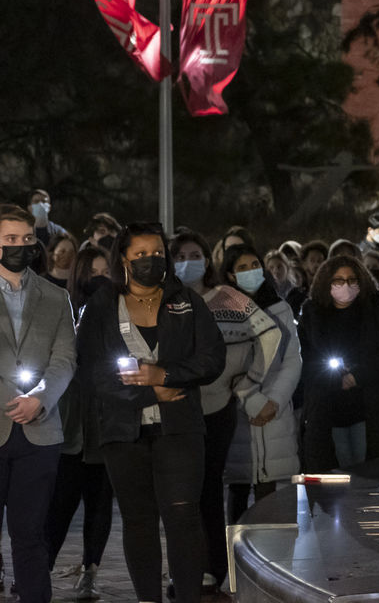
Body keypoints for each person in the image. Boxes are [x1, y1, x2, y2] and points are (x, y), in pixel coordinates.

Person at [77, 221, 224, 603]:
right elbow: (92, 370)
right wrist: (153, 393)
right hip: (123, 432)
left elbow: (212, 358)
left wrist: (169, 374)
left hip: (179, 430)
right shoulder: (102, 305)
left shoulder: (187, 301)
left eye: (157, 253)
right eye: (140, 254)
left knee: (182, 516)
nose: (150, 260)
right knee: (139, 520)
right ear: (123, 259)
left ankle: (189, 596)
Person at [170, 228, 282, 596]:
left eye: (195, 254)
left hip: (217, 407)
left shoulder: (228, 297)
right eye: (181, 256)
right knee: (179, 492)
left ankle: (213, 566)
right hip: (176, 406)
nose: (190, 262)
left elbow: (270, 334)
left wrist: (247, 380)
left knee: (207, 490)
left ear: (207, 259)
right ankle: (185, 567)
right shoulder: (167, 299)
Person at [0, 205, 76, 603]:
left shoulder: (55, 296)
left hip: (39, 431)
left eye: (26, 239)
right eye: (9, 239)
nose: (19, 246)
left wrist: (40, 399)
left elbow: (64, 359)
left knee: (30, 535)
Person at [46, 244, 115, 600]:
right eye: (93, 272)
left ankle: (91, 569)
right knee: (61, 503)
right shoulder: (61, 309)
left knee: (100, 503)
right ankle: (39, 568)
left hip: (104, 425)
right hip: (70, 426)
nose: (99, 279)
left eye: (106, 272)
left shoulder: (118, 315)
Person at [298, 256, 379, 471]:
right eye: (338, 280)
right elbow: (306, 359)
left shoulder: (376, 312)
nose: (345, 286)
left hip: (371, 407)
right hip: (328, 408)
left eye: (351, 280)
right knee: (338, 472)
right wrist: (334, 379)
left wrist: (358, 376)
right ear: (326, 283)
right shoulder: (312, 316)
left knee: (369, 471)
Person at [219, 244, 301, 525]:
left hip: (273, 415)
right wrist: (251, 401)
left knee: (271, 496)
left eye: (255, 265)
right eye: (242, 268)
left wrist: (273, 401)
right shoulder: (223, 312)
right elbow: (226, 366)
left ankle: (275, 561)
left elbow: (292, 360)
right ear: (230, 276)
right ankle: (234, 559)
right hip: (238, 416)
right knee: (238, 492)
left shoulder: (280, 308)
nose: (251, 272)